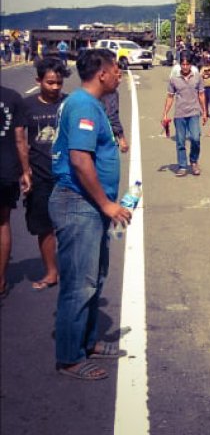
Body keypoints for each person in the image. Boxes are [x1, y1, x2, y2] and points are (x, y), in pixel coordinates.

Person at [49, 48, 132, 380]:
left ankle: (88, 342)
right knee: (79, 284)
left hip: (91, 206)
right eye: (116, 70)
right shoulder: (84, 105)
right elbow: (81, 160)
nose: (119, 75)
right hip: (78, 204)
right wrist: (107, 204)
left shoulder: (92, 104)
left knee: (94, 279)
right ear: (102, 73)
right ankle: (70, 357)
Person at [18, 57, 71, 290]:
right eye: (50, 83)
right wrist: (25, 171)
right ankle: (51, 272)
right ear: (38, 80)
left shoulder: (70, 103)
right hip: (40, 175)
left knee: (71, 226)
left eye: (59, 83)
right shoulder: (27, 106)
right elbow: (20, 139)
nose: (55, 88)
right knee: (44, 226)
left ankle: (73, 271)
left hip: (69, 175)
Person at [0, 86, 31, 299]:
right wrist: (26, 170)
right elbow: (20, 139)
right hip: (6, 169)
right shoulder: (12, 97)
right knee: (3, 222)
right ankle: (0, 279)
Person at [163, 51, 207, 176]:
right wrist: (165, 113)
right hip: (180, 114)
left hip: (194, 112)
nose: (185, 67)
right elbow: (170, 97)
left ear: (191, 65)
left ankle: (193, 161)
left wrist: (204, 112)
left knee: (195, 138)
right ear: (180, 64)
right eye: (183, 64)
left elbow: (201, 95)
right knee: (180, 141)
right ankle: (182, 166)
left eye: (187, 64)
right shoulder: (174, 80)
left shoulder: (197, 77)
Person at [102, 66, 129, 153]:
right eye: (117, 77)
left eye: (121, 77)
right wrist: (121, 138)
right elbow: (112, 115)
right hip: (106, 138)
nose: (120, 81)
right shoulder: (111, 92)